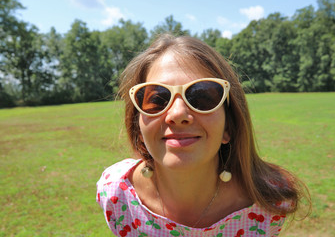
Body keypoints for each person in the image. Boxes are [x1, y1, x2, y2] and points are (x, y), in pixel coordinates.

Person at [96, 34, 310, 237]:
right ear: (138, 128)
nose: (178, 114)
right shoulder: (115, 194)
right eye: (158, 99)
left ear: (229, 127)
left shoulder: (271, 201)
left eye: (202, 97)